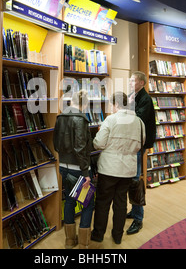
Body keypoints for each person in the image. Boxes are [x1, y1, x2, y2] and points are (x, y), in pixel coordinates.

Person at [90, 92, 145, 246]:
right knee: (121, 203)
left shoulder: (111, 119)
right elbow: (141, 143)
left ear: (116, 104)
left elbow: (98, 144)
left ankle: (98, 234)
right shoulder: (139, 122)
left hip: (109, 168)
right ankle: (118, 235)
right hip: (128, 169)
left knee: (103, 202)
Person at [53, 90, 94, 249]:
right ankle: (83, 244)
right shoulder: (80, 119)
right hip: (79, 169)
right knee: (87, 203)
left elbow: (56, 143)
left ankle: (69, 240)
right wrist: (86, 173)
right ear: (84, 103)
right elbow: (80, 148)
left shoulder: (60, 117)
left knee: (69, 200)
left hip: (63, 166)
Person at [126, 71, 156, 235]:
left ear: (142, 83)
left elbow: (137, 119)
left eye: (133, 80)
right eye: (130, 80)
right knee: (131, 178)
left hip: (139, 143)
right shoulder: (133, 95)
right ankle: (134, 210)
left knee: (136, 180)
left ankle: (138, 219)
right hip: (132, 142)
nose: (130, 82)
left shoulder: (145, 99)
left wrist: (128, 107)